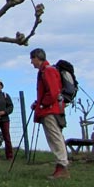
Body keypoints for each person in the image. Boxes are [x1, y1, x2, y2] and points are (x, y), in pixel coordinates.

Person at [29, 48, 70, 179]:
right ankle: (60, 167)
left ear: (37, 58)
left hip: (50, 110)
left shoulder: (48, 71)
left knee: (55, 137)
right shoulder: (45, 71)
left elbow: (52, 93)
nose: (31, 62)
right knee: (54, 137)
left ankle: (62, 167)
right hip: (50, 109)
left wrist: (42, 104)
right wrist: (38, 103)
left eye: (32, 59)